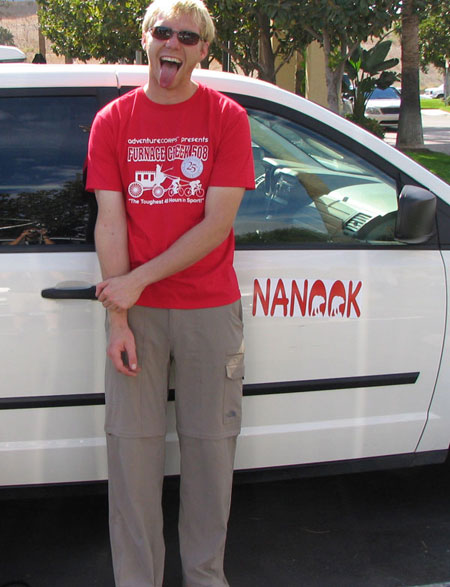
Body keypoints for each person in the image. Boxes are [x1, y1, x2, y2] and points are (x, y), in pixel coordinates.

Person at [86, 1, 255, 585]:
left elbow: (216, 225)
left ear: (202, 49)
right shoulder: (113, 121)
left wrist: (136, 280)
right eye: (163, 32)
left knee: (210, 456)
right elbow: (110, 221)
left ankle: (206, 577)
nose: (173, 44)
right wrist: (119, 319)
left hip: (209, 308)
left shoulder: (227, 118)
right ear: (146, 38)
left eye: (187, 36)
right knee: (131, 458)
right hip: (138, 316)